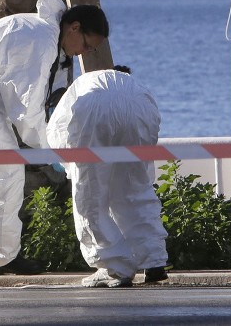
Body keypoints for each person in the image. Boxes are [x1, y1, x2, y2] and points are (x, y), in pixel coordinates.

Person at [0, 0, 109, 276]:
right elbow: (26, 108)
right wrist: (52, 152)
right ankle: (0, 259)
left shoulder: (48, 38)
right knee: (5, 171)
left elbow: (43, 101)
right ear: (74, 27)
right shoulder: (39, 38)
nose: (85, 52)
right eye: (87, 44)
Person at [46, 65, 169, 288]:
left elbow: (57, 134)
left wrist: (70, 168)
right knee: (136, 188)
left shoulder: (80, 88)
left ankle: (115, 267)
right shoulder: (134, 85)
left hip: (96, 108)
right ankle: (154, 261)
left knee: (90, 197)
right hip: (140, 107)